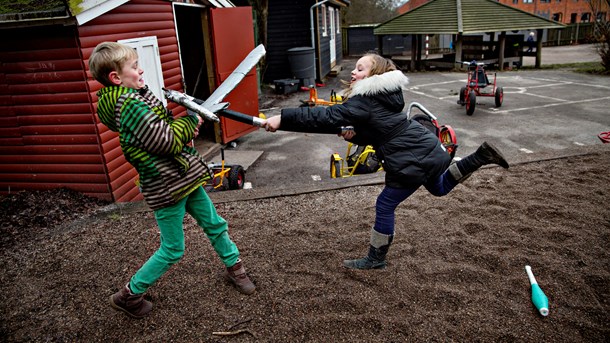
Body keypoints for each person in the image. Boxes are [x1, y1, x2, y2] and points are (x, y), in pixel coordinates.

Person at [262, 52, 509, 270]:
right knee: (439, 187)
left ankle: (375, 258)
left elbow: (324, 116)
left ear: (375, 74)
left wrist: (282, 119)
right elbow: (379, 129)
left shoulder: (364, 101)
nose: (354, 73)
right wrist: (356, 134)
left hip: (410, 156)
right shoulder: (384, 95)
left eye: (360, 68)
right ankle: (480, 156)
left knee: (385, 204)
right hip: (424, 146)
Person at [89, 42, 255, 318]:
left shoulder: (133, 97)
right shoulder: (128, 105)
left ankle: (235, 267)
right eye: (134, 67)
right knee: (173, 248)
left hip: (182, 175)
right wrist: (191, 122)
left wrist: (146, 91)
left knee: (214, 223)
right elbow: (165, 141)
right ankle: (129, 295)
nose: (141, 70)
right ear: (116, 78)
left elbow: (159, 125)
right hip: (165, 185)